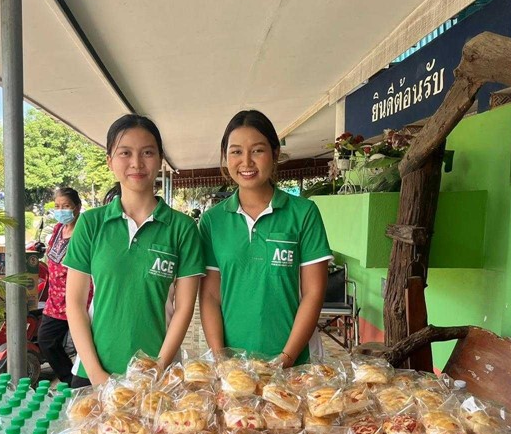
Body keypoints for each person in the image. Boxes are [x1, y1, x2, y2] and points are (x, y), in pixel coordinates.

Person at [63, 114, 205, 387]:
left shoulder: (182, 228)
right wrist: (97, 376)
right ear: (109, 161)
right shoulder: (91, 224)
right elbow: (75, 304)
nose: (136, 163)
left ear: (160, 159)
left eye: (147, 153)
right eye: (125, 153)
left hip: (160, 376)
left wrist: (157, 369)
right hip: (93, 372)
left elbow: (184, 308)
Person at [199, 109, 333, 368]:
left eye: (257, 150)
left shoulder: (303, 213)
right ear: (225, 157)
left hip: (296, 362)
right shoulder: (212, 221)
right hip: (234, 367)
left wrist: (285, 359)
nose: (246, 162)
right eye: (236, 152)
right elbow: (210, 297)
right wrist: (221, 359)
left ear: (275, 153)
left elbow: (313, 293)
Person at [36, 187, 83, 385]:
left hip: (77, 298)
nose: (61, 210)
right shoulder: (57, 229)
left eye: (66, 206)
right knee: (46, 340)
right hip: (55, 299)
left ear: (77, 207)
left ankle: (86, 382)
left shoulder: (83, 231)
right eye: (57, 206)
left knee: (84, 343)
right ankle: (69, 380)